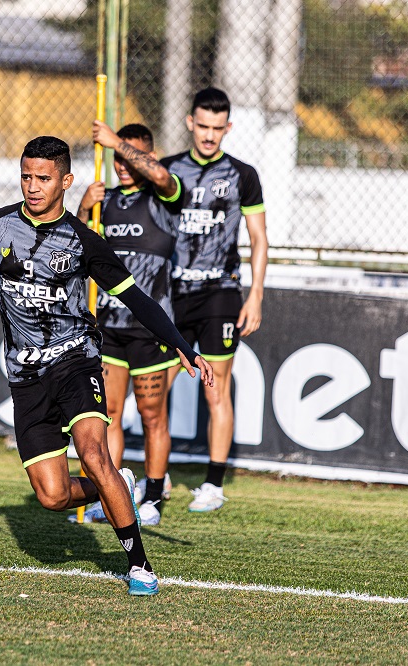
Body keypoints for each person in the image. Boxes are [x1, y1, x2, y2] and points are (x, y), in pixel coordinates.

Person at [0, 136, 213, 595]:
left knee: (94, 453)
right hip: (25, 375)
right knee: (53, 496)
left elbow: (136, 297)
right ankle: (115, 485)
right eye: (26, 176)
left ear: (65, 181)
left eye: (43, 178)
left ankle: (139, 565)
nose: (32, 186)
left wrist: (180, 342)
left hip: (76, 360)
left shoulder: (84, 241)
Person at [161, 87, 269, 512]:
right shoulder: (167, 171)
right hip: (172, 295)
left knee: (215, 389)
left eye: (216, 128)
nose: (209, 135)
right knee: (154, 390)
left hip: (220, 293)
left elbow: (260, 239)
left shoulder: (243, 175)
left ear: (228, 127)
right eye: (202, 126)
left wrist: (256, 294)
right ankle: (157, 478)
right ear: (190, 123)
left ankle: (214, 484)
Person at [74, 122, 181, 525]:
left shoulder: (165, 198)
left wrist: (114, 140)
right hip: (109, 328)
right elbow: (76, 245)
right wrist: (85, 208)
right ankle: (111, 496)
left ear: (148, 155)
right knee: (109, 415)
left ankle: (151, 498)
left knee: (153, 415)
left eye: (128, 155)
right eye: (116, 157)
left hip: (151, 328)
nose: (121, 163)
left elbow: (161, 176)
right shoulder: (106, 201)